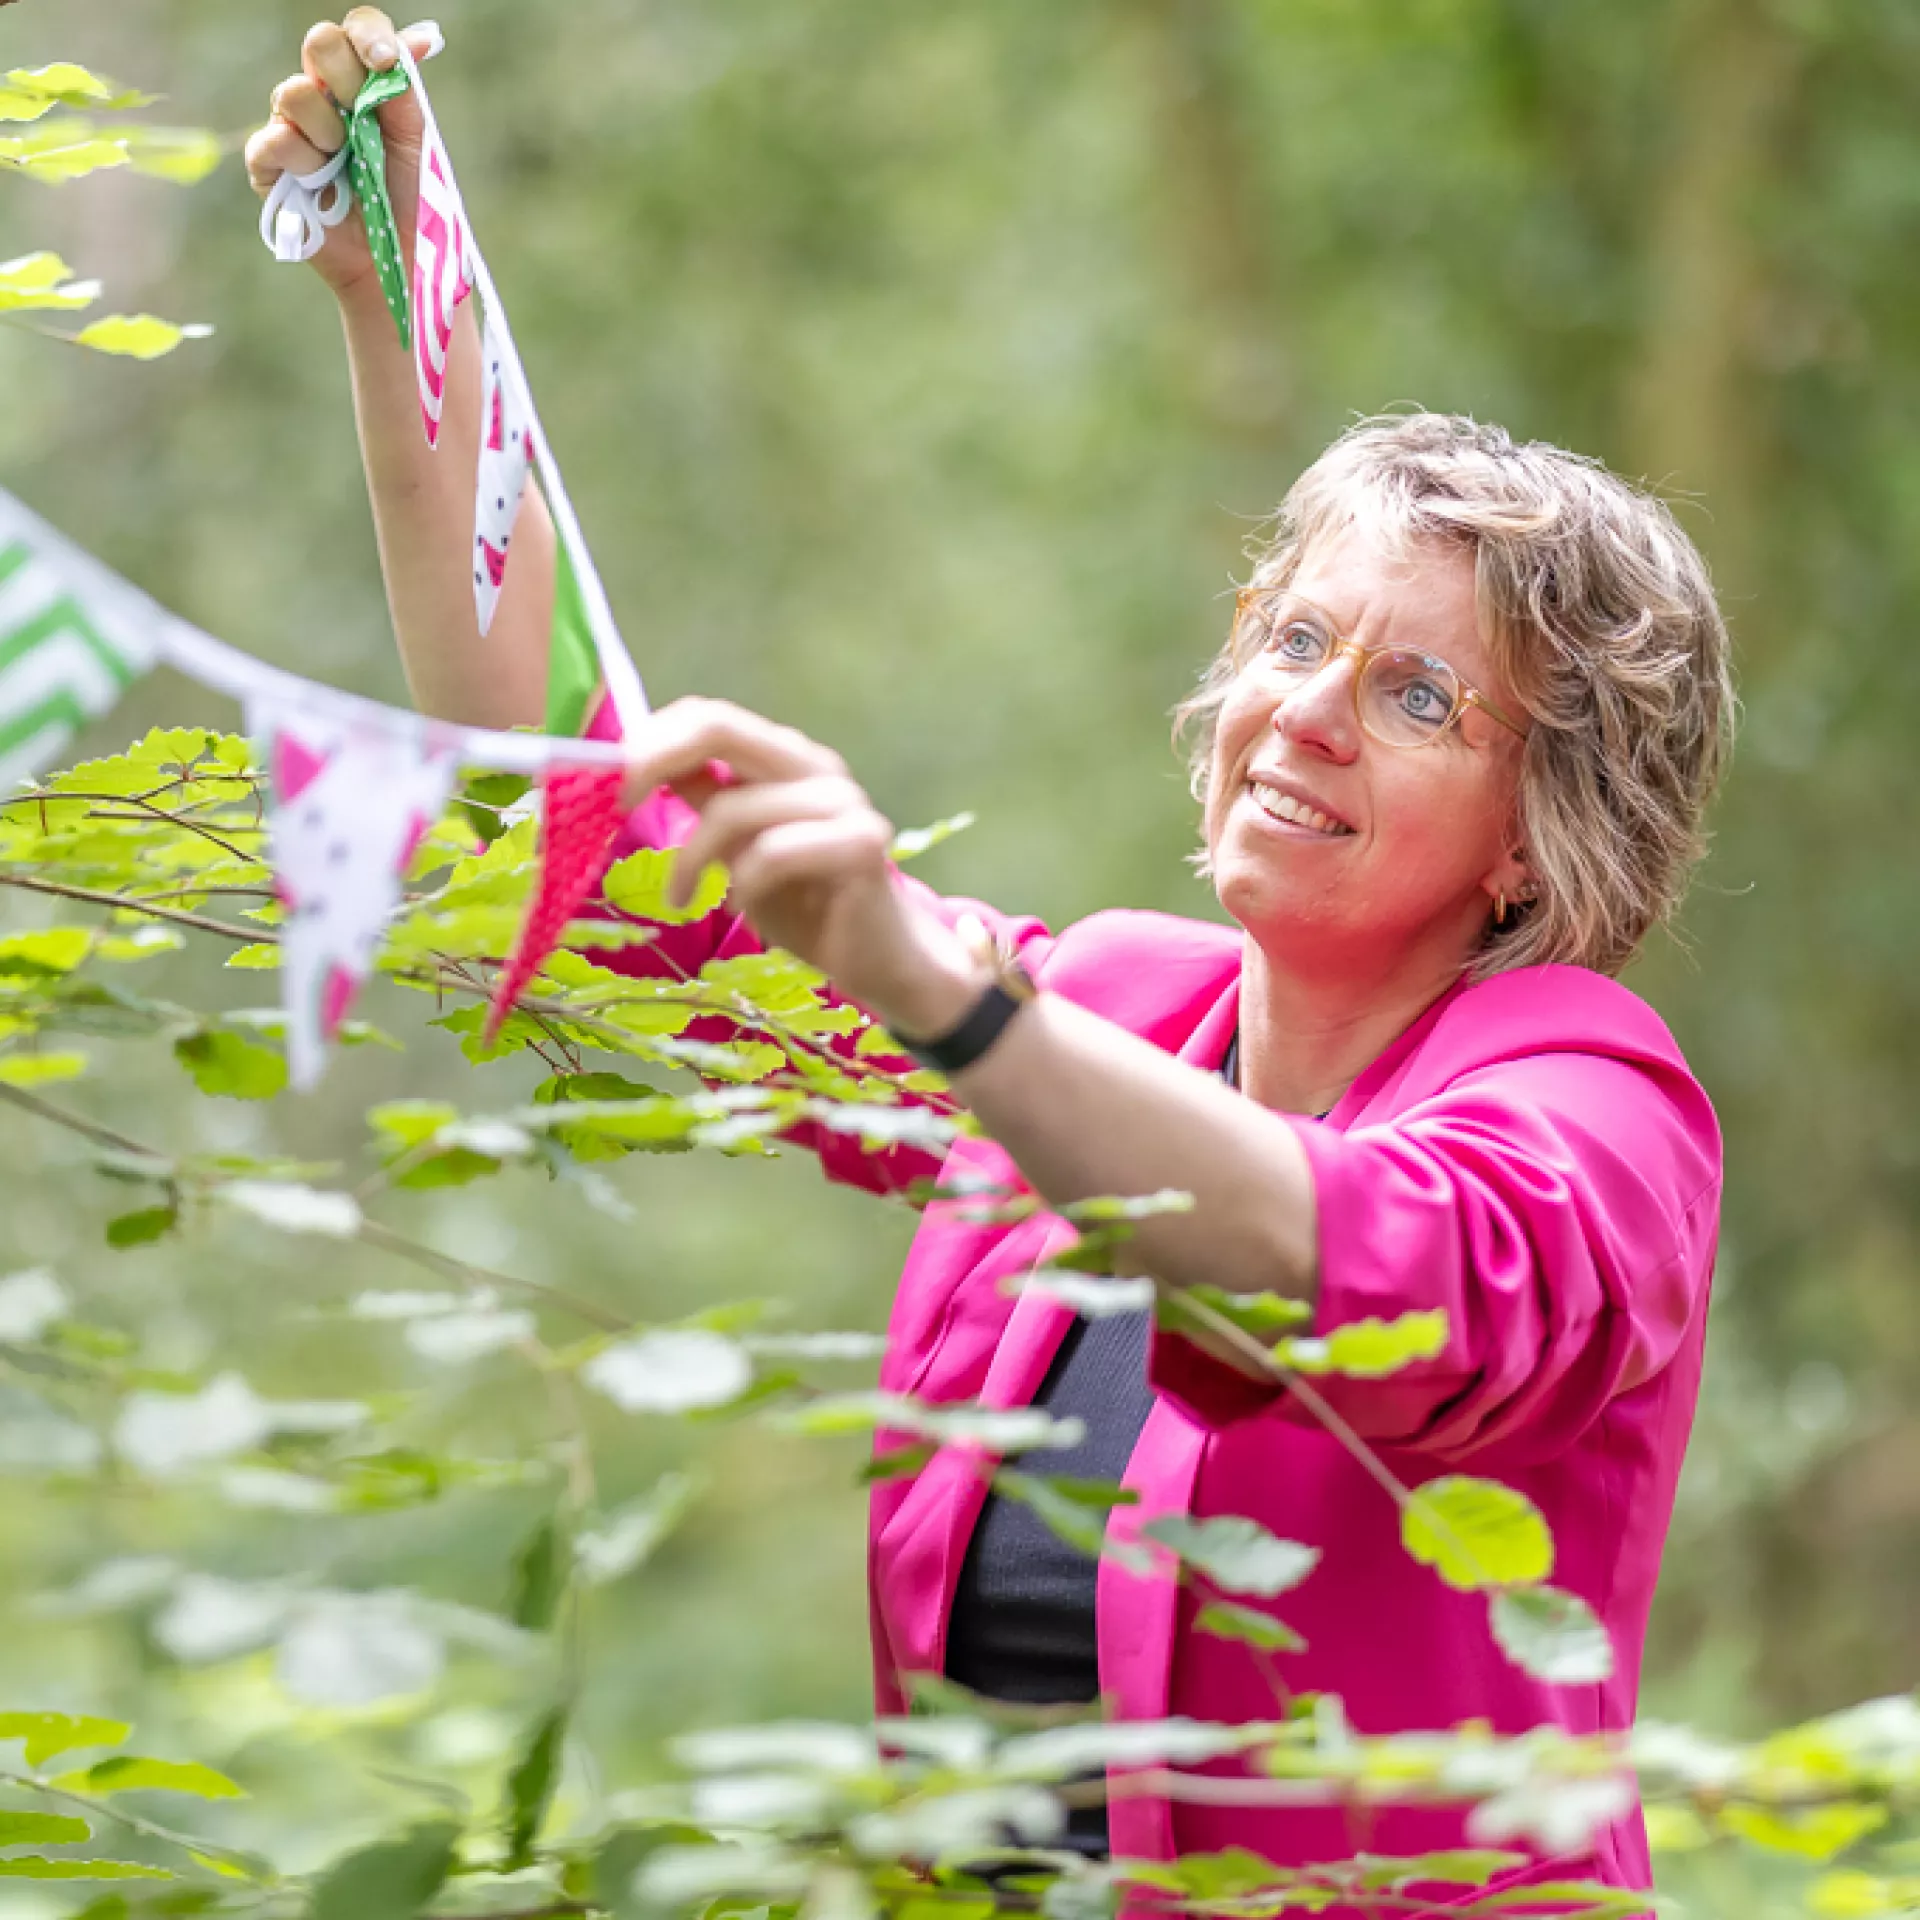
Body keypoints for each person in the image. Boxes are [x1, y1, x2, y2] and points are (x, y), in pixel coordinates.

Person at [249, 16, 1734, 1907]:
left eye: (1419, 695)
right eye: (1295, 641)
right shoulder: (1112, 1002)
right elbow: (593, 835)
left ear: (1541, 828)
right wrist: (399, 302)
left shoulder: (1596, 1102)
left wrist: (947, 1000)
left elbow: (1362, 1264)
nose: (1308, 713)